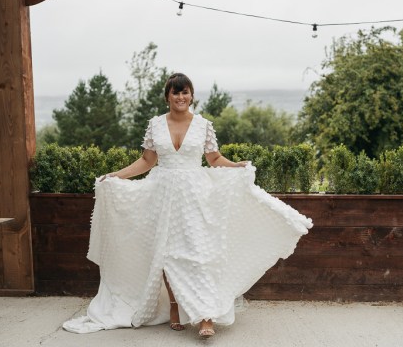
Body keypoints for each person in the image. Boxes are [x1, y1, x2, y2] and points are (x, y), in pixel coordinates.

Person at [63, 73, 313, 339]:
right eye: (175, 92)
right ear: (167, 96)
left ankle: (206, 317)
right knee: (165, 253)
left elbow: (214, 158)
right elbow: (147, 161)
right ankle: (173, 308)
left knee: (198, 253)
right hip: (161, 195)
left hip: (194, 196)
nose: (180, 97)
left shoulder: (203, 124)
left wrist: (236, 166)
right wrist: (115, 176)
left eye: (185, 92)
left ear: (191, 95)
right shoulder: (155, 124)